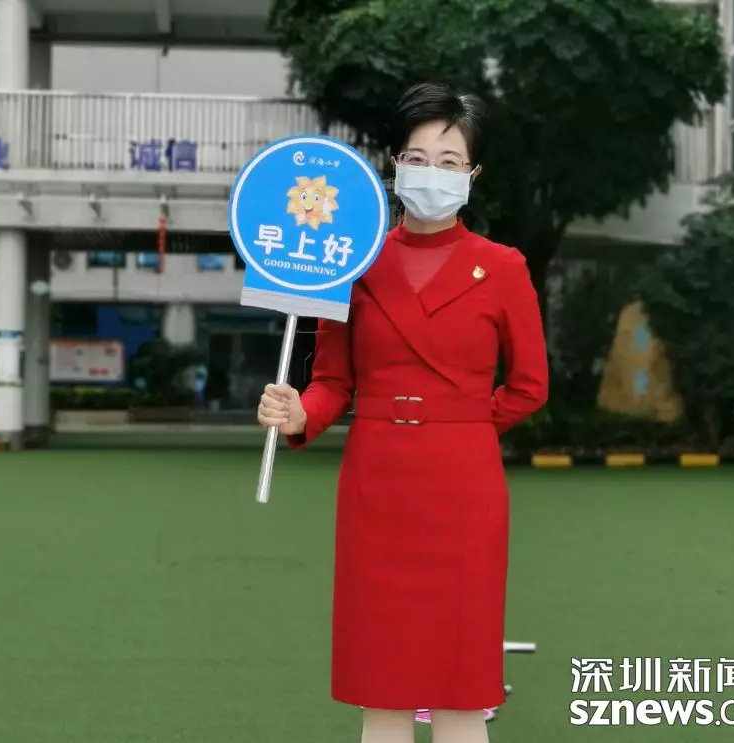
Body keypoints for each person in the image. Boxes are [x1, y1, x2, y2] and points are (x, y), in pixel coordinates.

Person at [257, 82, 549, 743]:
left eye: (450, 162)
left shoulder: (503, 268)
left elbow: (530, 386)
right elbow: (333, 381)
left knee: (460, 693)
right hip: (378, 485)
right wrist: (300, 414)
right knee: (381, 690)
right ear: (395, 164)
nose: (432, 173)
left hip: (465, 486)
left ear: (473, 174)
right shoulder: (352, 260)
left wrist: (462, 426)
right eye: (418, 158)